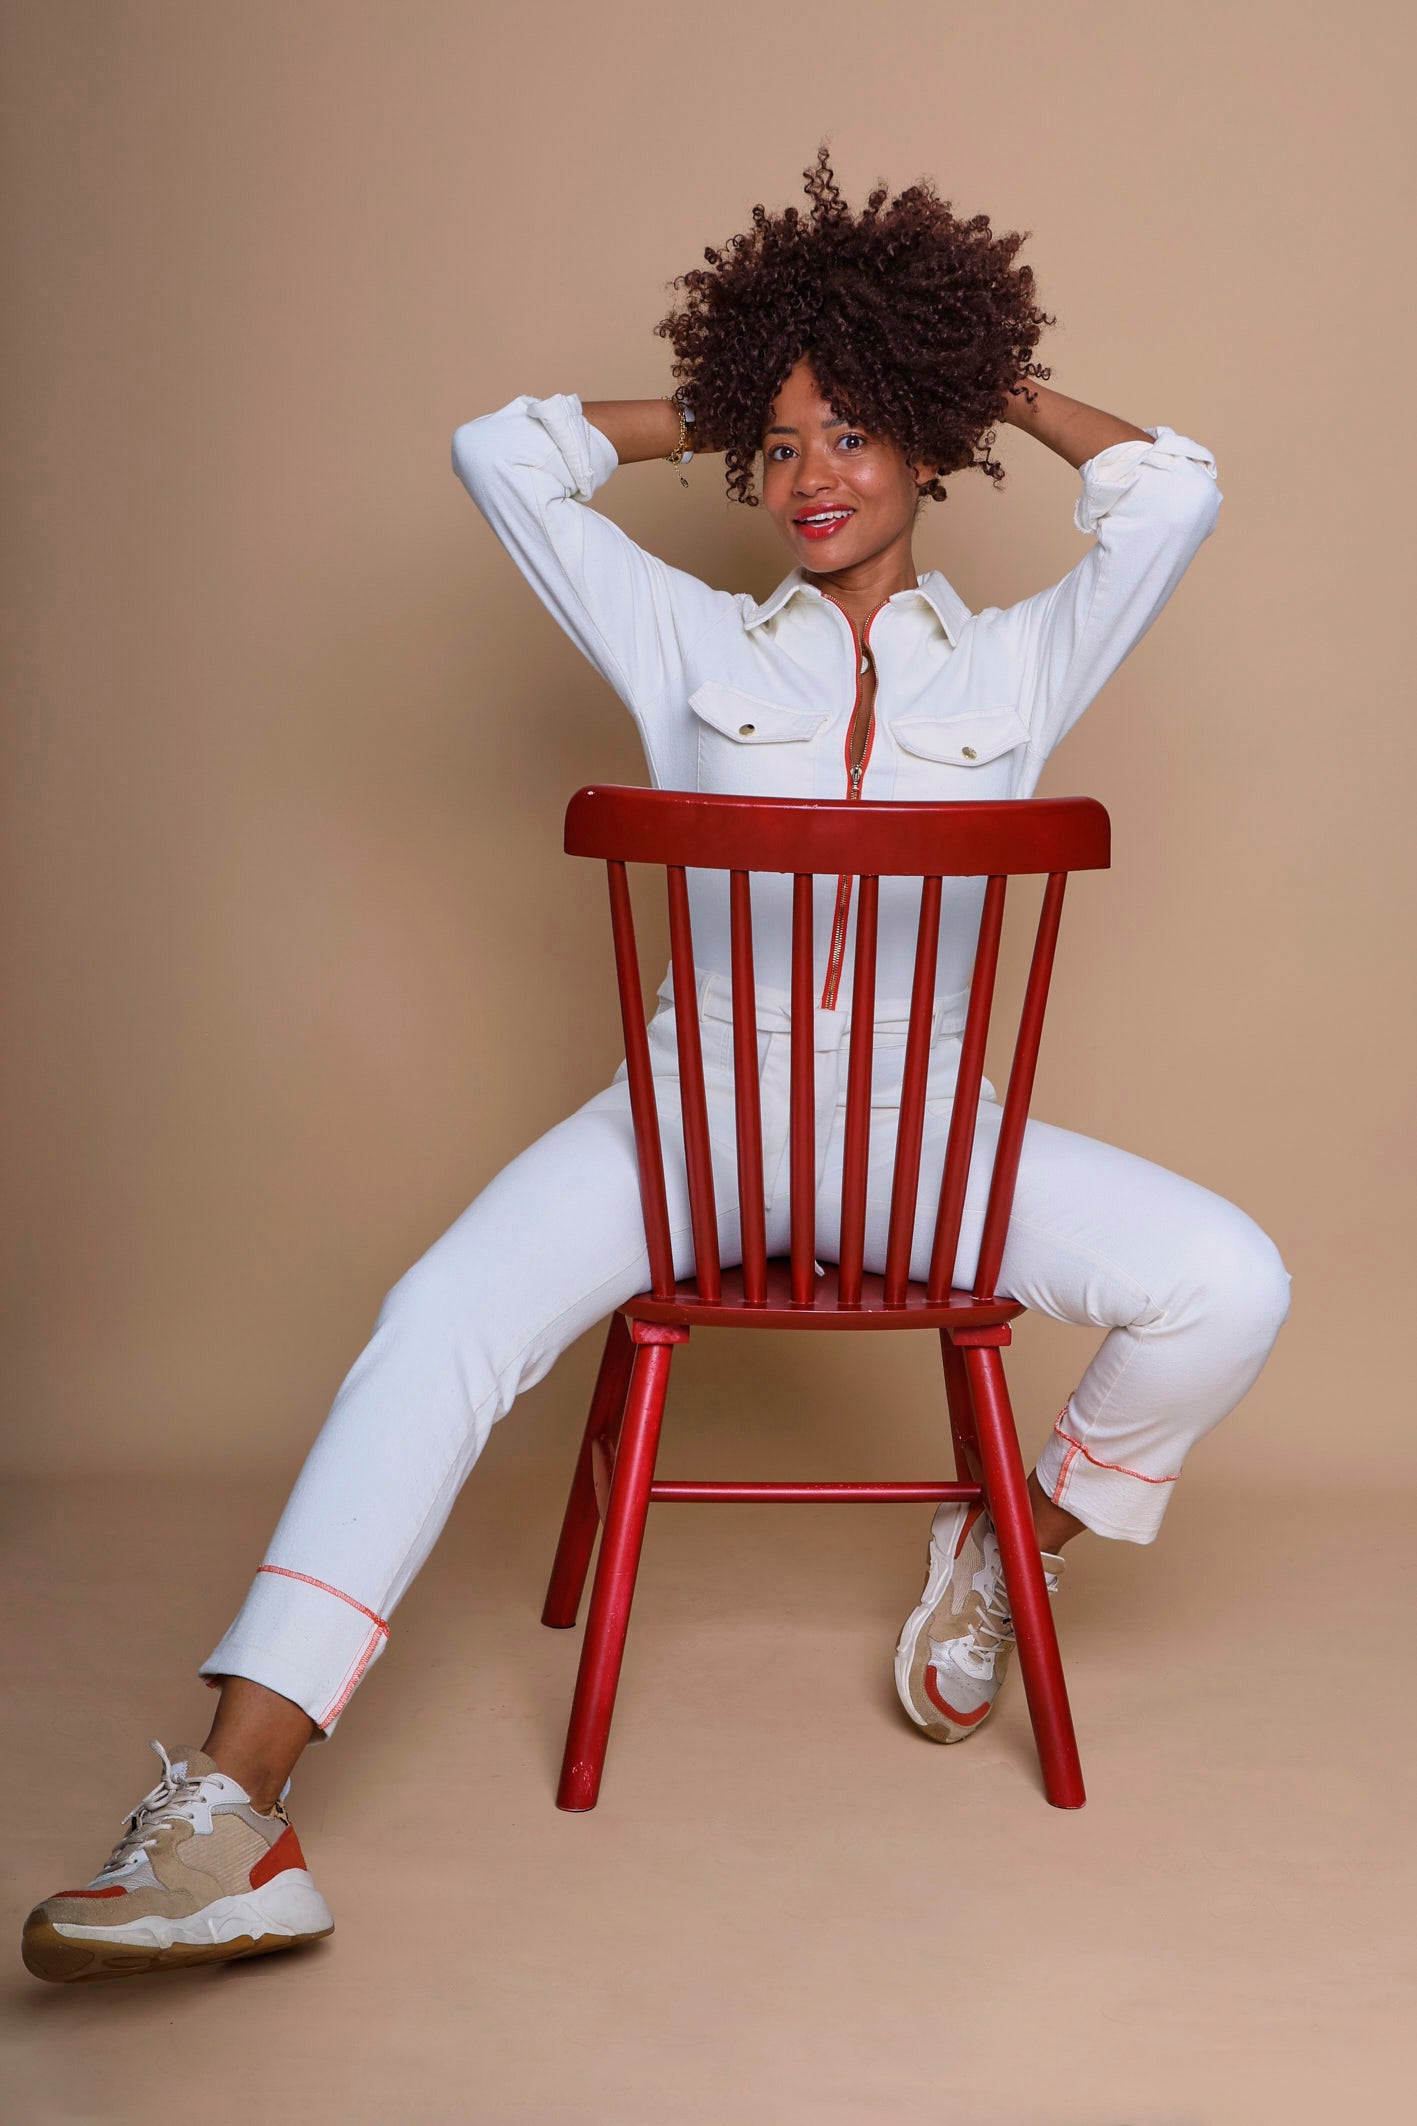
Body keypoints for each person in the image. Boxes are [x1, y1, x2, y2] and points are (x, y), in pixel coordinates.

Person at [23, 147, 1290, 1984]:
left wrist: (969, 376)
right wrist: (733, 395)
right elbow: (500, 454)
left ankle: (1006, 1554)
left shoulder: (1022, 666)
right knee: (434, 1318)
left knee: (1230, 1278)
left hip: (921, 1151)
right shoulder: (679, 634)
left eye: (852, 434)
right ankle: (232, 1811)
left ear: (927, 447)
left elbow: (1176, 494)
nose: (809, 475)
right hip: (679, 1139)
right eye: (774, 447)